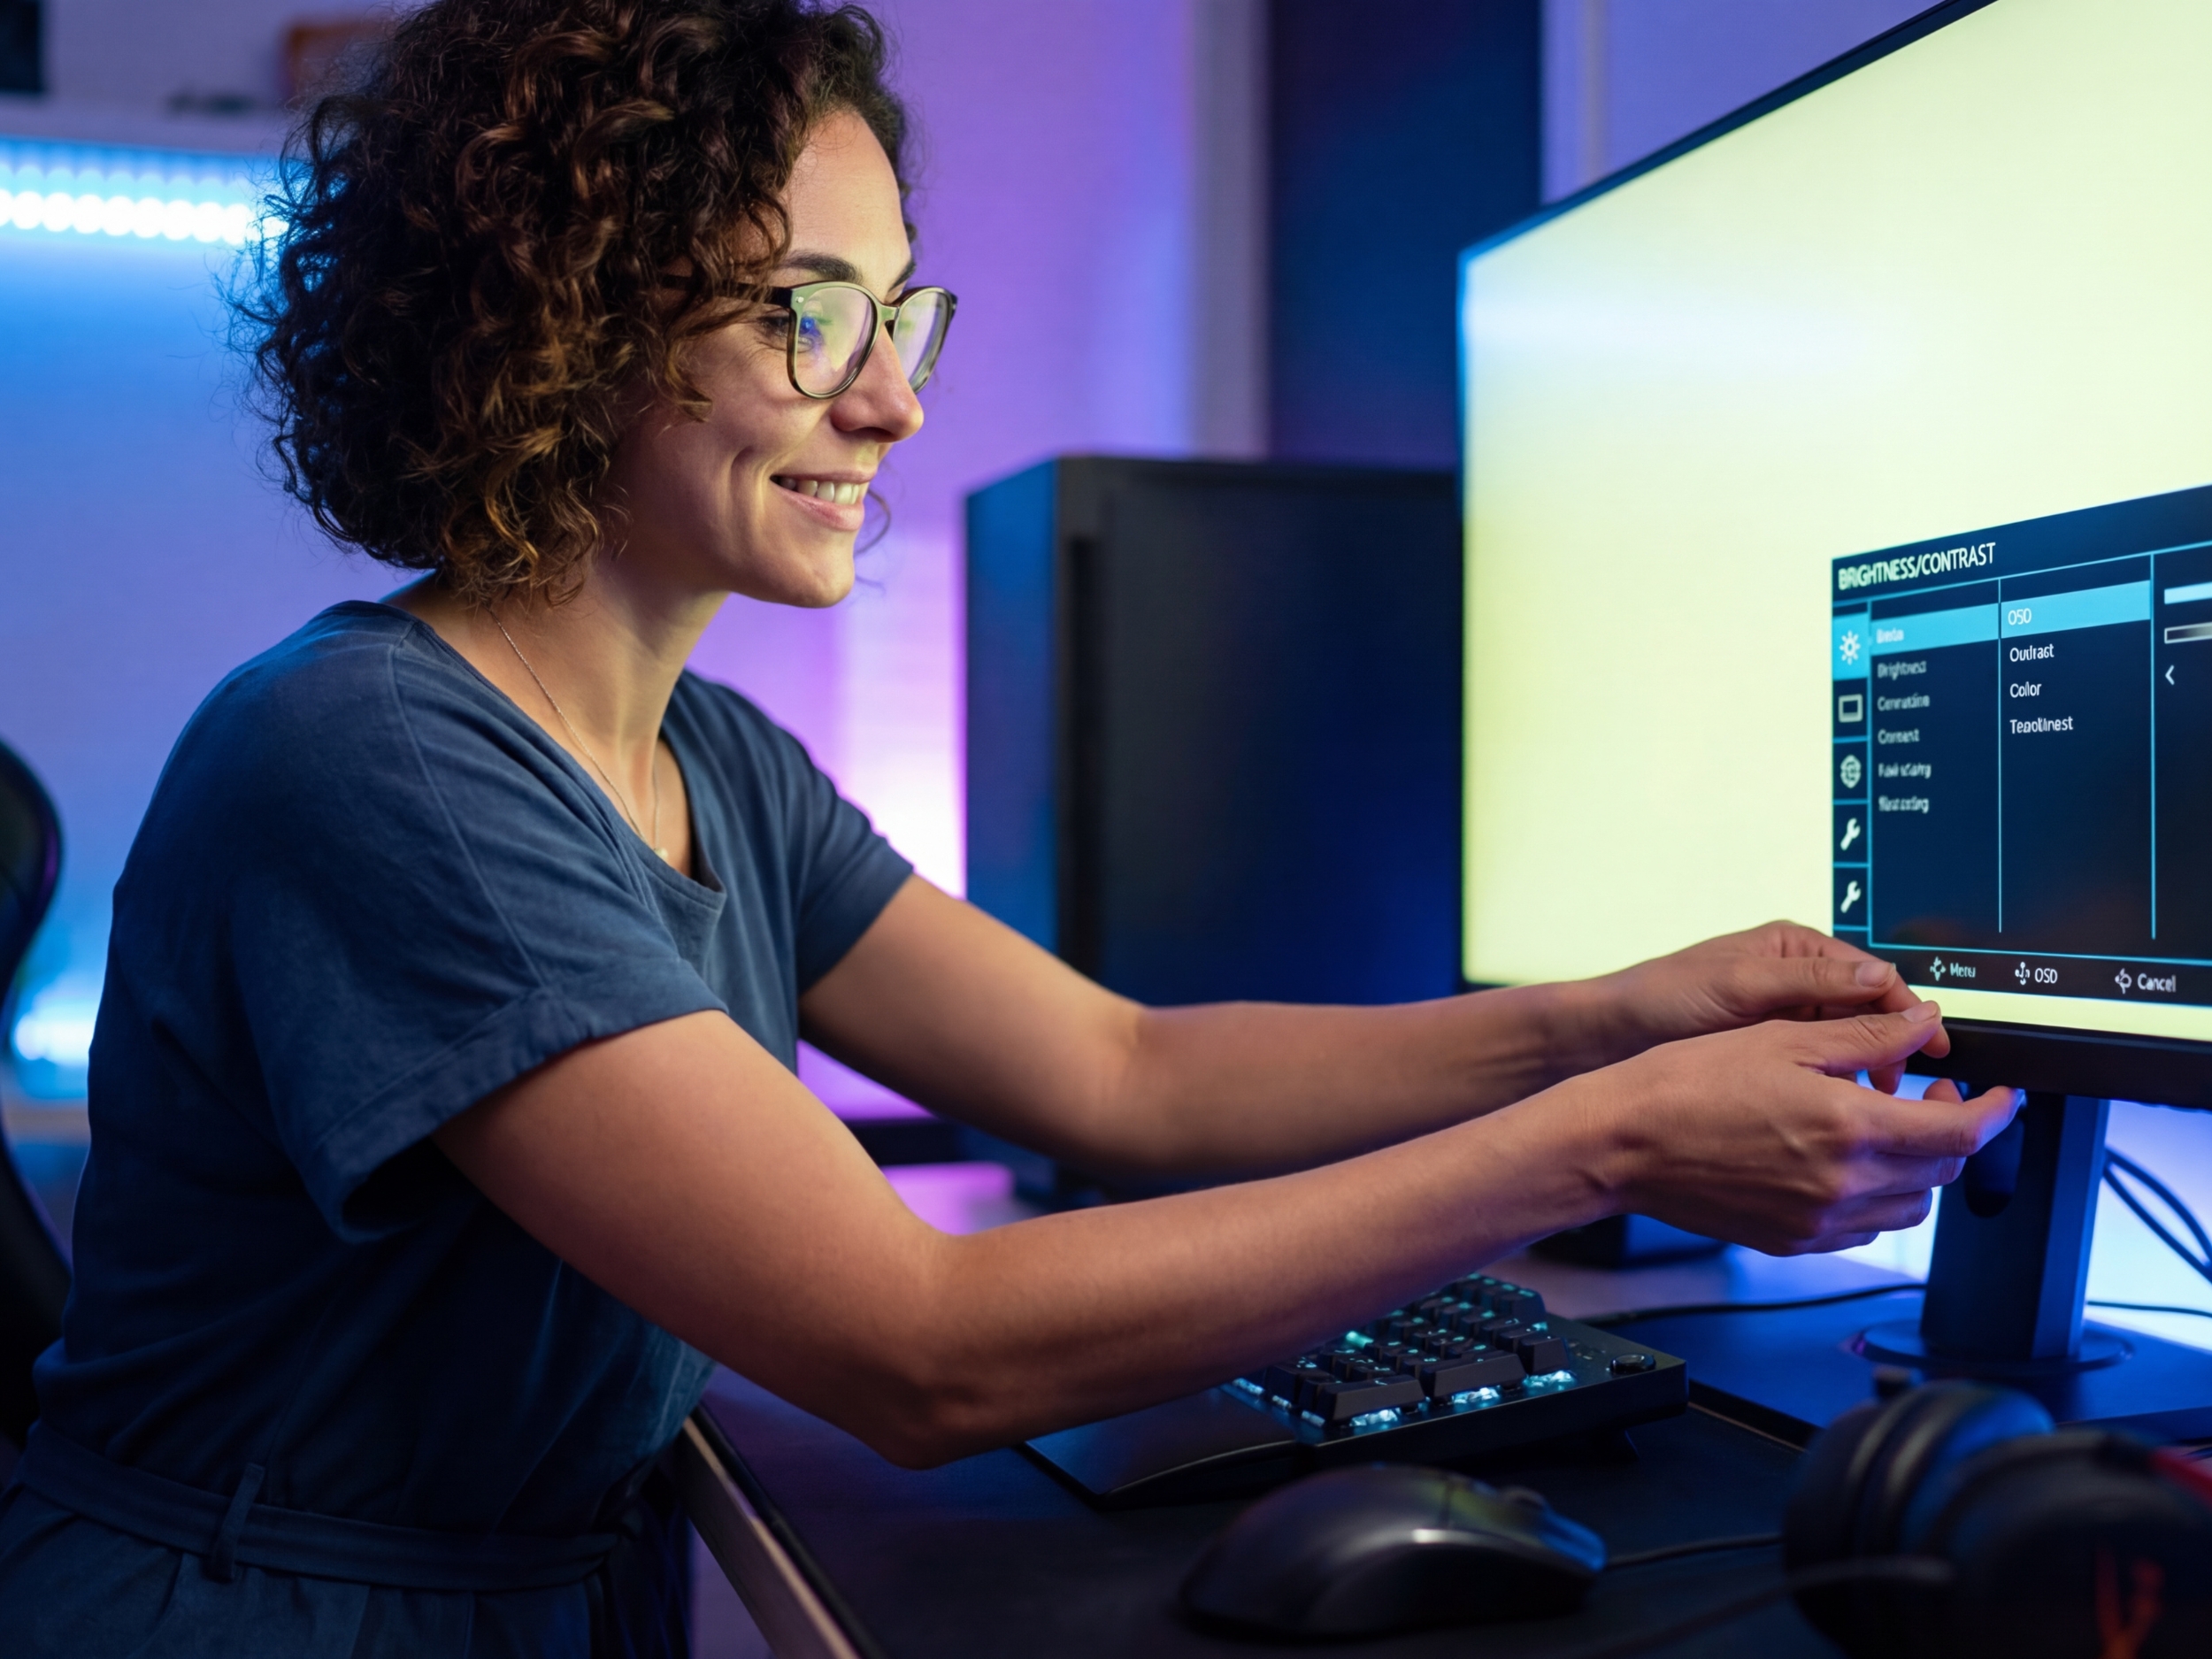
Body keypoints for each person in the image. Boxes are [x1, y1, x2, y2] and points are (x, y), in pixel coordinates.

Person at [0, 1, 2020, 1653]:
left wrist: (1607, 1019)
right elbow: (916, 1345)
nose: (888, 402)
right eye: (807, 315)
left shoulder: (711, 757)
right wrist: (1598, 1141)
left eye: (899, 316)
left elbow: (1117, 1068)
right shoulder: (381, 761)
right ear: (565, 324)